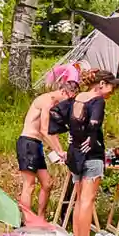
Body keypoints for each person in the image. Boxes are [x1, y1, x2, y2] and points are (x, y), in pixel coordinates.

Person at [14, 66, 79, 223]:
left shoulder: (56, 105)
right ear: (63, 92)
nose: (70, 102)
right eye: (70, 98)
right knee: (29, 185)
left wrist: (61, 151)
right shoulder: (47, 100)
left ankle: (41, 218)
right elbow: (44, 130)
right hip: (27, 143)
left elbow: (52, 132)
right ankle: (27, 221)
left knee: (47, 183)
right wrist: (58, 150)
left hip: (37, 145)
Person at [67, 69, 117, 236]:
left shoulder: (77, 98)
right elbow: (94, 124)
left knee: (79, 200)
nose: (112, 91)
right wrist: (90, 137)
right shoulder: (97, 101)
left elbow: (63, 118)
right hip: (92, 154)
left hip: (75, 154)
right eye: (111, 86)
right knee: (88, 200)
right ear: (102, 84)